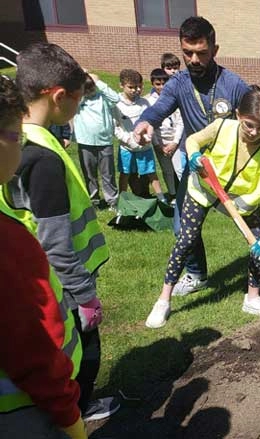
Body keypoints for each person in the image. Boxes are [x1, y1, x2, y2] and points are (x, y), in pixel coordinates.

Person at [7, 42, 118, 422]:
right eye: (78, 99)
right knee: (81, 350)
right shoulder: (42, 160)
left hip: (40, 278)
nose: (78, 107)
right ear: (57, 96)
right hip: (65, 282)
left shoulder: (19, 140)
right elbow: (55, 242)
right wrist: (85, 295)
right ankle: (78, 411)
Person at [145, 86, 260, 328]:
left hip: (241, 202)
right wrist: (193, 155)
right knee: (186, 240)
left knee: (258, 246)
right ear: (237, 115)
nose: (254, 132)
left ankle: (252, 298)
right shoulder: (222, 127)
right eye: (249, 125)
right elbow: (193, 140)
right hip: (204, 189)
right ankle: (163, 300)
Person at [135, 16, 251, 295]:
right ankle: (197, 275)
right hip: (196, 168)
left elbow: (254, 117)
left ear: (215, 50)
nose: (194, 59)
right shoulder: (178, 84)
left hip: (232, 170)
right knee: (181, 228)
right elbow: (159, 108)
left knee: (252, 228)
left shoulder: (233, 84)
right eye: (188, 52)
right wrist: (146, 121)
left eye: (201, 52)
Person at [0, 74, 88, 439]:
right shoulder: (9, 245)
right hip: (27, 411)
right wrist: (73, 422)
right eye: (14, 135)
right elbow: (32, 347)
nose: (20, 147)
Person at [113, 68, 166, 202]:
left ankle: (161, 198)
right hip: (127, 147)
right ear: (121, 85)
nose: (135, 90)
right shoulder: (116, 104)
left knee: (151, 172)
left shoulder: (144, 103)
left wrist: (147, 137)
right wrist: (128, 140)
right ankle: (122, 199)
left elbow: (150, 123)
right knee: (125, 173)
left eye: (138, 87)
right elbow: (115, 127)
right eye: (131, 87)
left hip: (144, 147)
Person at [73, 72, 120, 210]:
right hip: (85, 142)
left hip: (104, 141)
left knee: (108, 174)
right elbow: (74, 103)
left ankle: (112, 201)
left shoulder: (103, 97)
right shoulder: (80, 101)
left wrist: (98, 82)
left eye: (91, 88)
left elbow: (116, 98)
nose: (89, 92)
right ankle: (94, 200)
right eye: (86, 90)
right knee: (89, 174)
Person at [146, 68, 183, 200]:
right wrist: (158, 145)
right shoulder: (149, 101)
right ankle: (173, 194)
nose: (161, 87)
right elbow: (151, 126)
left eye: (164, 83)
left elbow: (180, 121)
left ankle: (185, 195)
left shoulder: (176, 98)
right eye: (158, 84)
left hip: (175, 140)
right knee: (167, 171)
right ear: (152, 84)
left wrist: (175, 142)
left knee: (180, 169)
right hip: (160, 141)